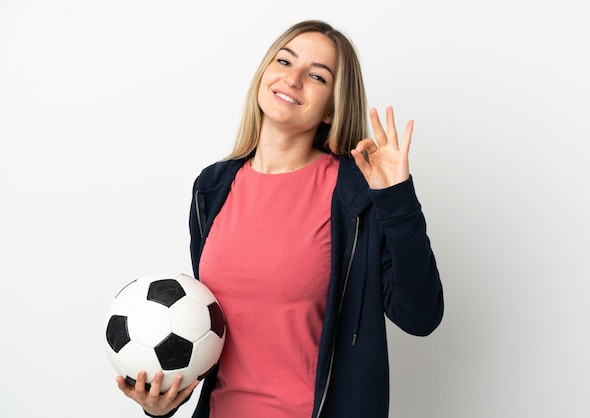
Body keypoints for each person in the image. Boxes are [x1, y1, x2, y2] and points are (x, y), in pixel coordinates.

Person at [116, 19, 444, 418]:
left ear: (331, 110)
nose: (293, 78)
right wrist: (168, 398)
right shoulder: (212, 188)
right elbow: (203, 328)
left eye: (317, 76)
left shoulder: (355, 193)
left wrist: (396, 197)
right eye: (284, 61)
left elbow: (419, 316)